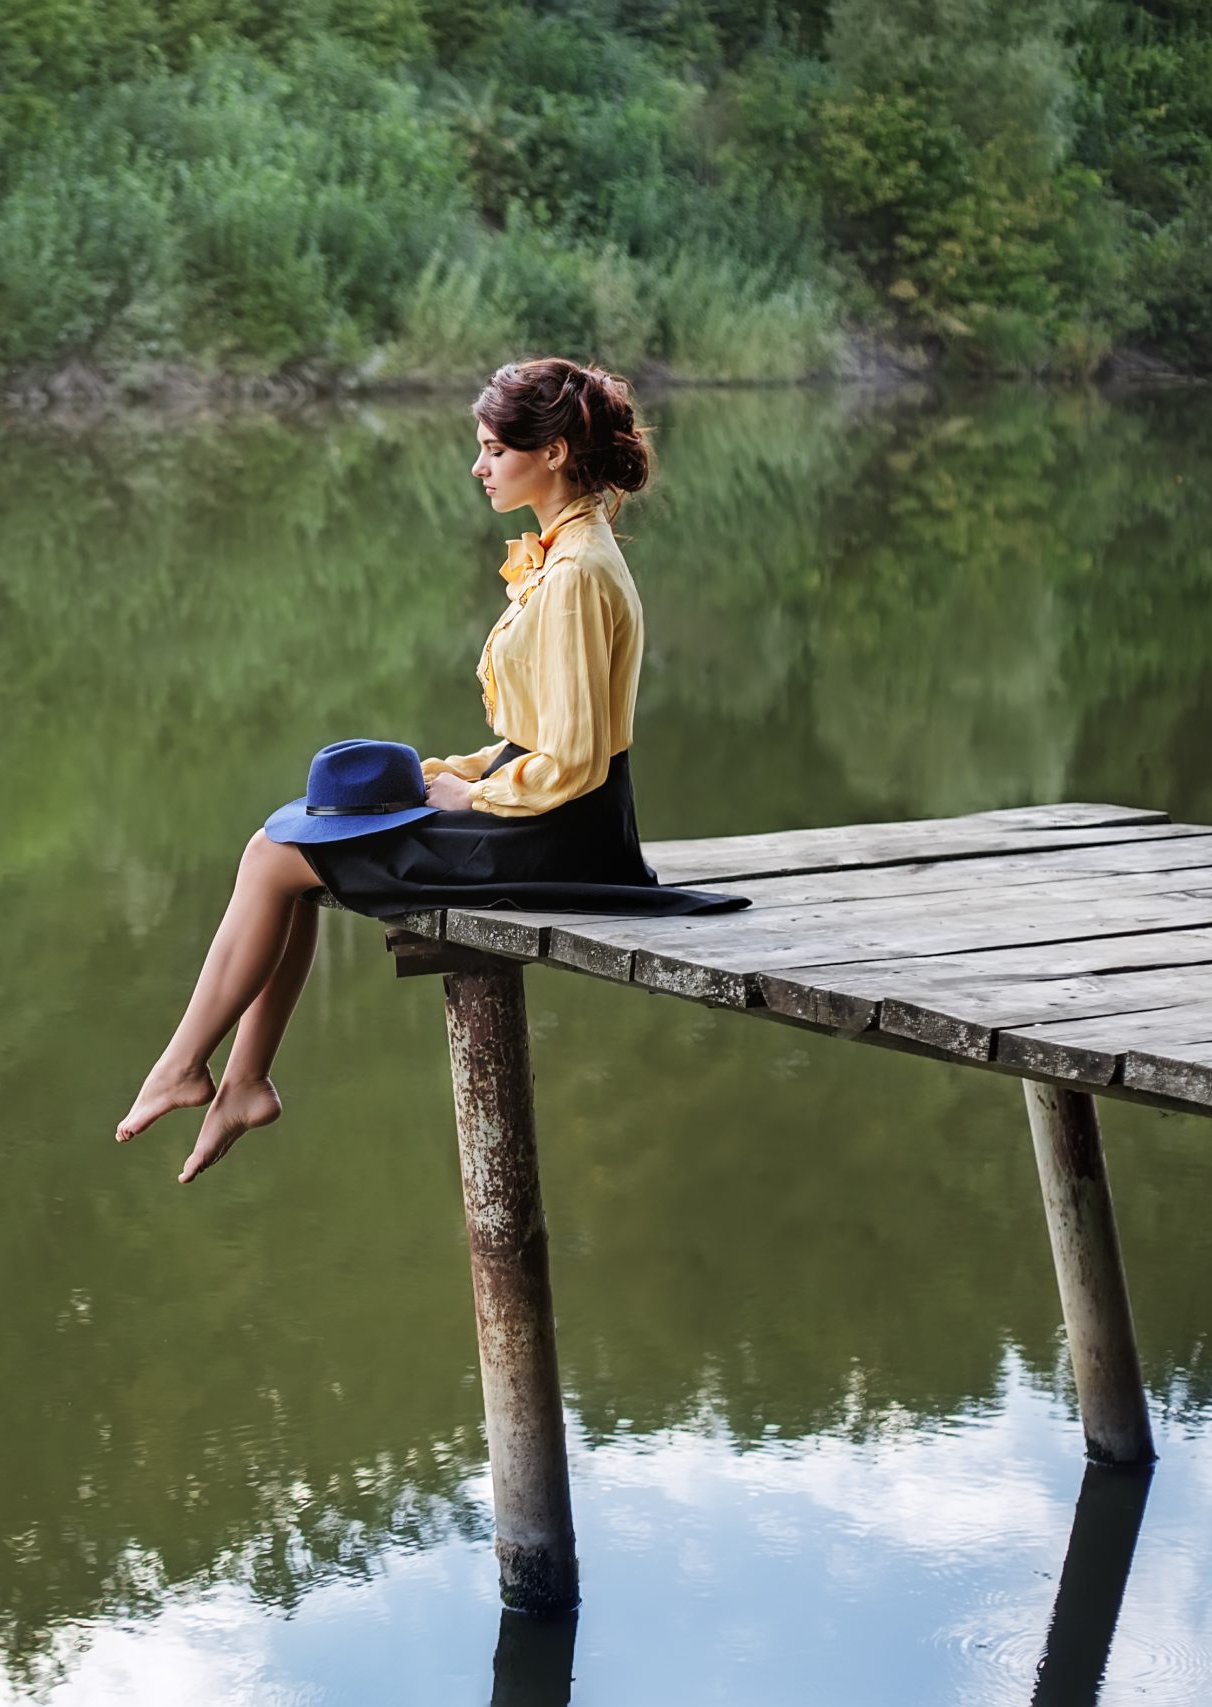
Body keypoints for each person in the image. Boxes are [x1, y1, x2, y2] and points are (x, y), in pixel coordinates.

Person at [113, 356, 745, 1185]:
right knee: (296, 840)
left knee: (272, 857)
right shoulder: (563, 558)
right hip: (539, 810)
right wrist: (446, 774)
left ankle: (192, 1067)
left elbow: (578, 761)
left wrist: (473, 793)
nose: (478, 467)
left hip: (560, 834)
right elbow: (539, 736)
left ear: (551, 452)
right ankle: (236, 1081)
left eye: (492, 449)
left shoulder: (580, 573)